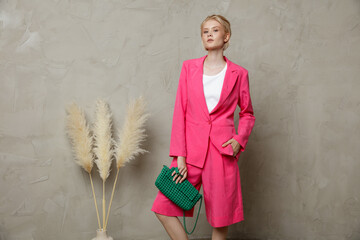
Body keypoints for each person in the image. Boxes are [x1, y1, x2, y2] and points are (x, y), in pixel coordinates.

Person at [151, 14, 256, 240]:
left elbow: (247, 113)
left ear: (226, 36)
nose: (209, 34)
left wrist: (239, 140)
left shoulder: (239, 74)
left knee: (221, 218)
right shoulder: (189, 68)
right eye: (205, 31)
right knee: (163, 207)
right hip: (190, 154)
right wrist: (180, 156)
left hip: (222, 153)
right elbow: (180, 112)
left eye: (215, 30)